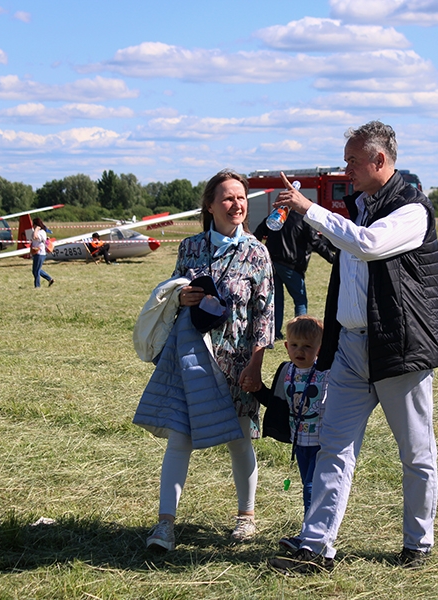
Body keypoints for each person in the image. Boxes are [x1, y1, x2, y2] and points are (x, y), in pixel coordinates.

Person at [266, 121, 438, 573]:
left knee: (416, 454)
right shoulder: (357, 207)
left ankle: (417, 544)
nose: (347, 169)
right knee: (334, 447)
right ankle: (315, 546)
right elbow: (347, 250)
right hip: (349, 348)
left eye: (352, 160)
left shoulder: (412, 209)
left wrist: (311, 209)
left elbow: (368, 246)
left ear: (379, 161)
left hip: (397, 351)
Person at [136, 169, 274, 553]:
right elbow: (173, 291)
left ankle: (245, 518)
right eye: (228, 198)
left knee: (239, 439)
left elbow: (265, 315)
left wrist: (256, 366)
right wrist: (182, 298)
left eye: (242, 198)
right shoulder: (190, 248)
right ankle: (165, 525)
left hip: (237, 363)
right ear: (210, 205)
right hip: (192, 358)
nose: (237, 205)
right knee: (179, 438)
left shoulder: (257, 252)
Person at [252, 315, 329, 534]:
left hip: (321, 443)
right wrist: (257, 390)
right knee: (307, 484)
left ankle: (311, 530)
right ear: (286, 346)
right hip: (299, 442)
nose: (300, 351)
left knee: (312, 487)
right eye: (294, 345)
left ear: (319, 349)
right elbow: (276, 404)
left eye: (307, 346)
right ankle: (313, 527)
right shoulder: (287, 372)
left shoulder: (325, 374)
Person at [253, 209, 335, 340]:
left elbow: (258, 233)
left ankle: (275, 333)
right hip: (292, 265)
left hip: (272, 262)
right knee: (300, 299)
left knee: (277, 300)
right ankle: (301, 332)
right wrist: (333, 259)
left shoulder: (276, 215)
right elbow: (316, 242)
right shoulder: (304, 220)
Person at [30, 217, 55, 288]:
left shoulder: (41, 232)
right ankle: (49, 279)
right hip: (36, 252)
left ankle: (37, 286)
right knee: (36, 270)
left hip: (40, 253)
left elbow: (35, 237)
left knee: (36, 271)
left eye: (33, 224)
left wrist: (37, 229)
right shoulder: (36, 231)